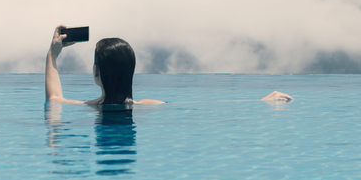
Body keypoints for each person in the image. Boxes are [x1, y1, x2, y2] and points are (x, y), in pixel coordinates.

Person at [45, 25, 292, 105]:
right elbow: (204, 108)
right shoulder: (150, 106)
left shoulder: (87, 108)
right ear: (132, 71)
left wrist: (53, 54)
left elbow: (53, 98)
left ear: (96, 71)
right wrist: (262, 101)